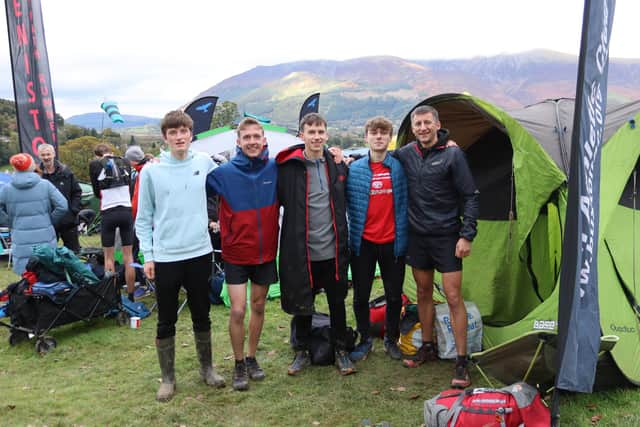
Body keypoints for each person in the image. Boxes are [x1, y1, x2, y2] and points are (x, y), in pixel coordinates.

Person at [136, 110, 224, 402]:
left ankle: (207, 369)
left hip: (199, 251)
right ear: (165, 137)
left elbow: (228, 181)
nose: (179, 137)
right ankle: (168, 378)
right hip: (166, 256)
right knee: (166, 319)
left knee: (202, 313)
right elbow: (143, 216)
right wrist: (148, 255)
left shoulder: (204, 162)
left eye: (183, 131)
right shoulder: (151, 171)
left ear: (190, 133)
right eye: (172, 133)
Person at [395, 105, 479, 388]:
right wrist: (340, 158)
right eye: (417, 124)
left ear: (437, 124)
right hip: (418, 237)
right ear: (413, 128)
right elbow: (380, 160)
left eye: (427, 122)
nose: (422, 128)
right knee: (422, 293)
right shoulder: (406, 153)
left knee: (454, 297)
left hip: (447, 236)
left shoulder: (453, 154)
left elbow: (470, 196)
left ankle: (461, 361)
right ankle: (428, 347)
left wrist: (466, 235)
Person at [276, 112, 356, 376]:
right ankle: (301, 351)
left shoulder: (337, 165)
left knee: (337, 301)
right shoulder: (289, 168)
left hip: (332, 249)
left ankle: (341, 350)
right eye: (311, 132)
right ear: (302, 135)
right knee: (303, 303)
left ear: (326, 134)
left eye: (321, 131)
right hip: (302, 251)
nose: (317, 136)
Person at [206, 117, 279, 391]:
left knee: (259, 306)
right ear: (238, 142)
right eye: (246, 137)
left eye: (256, 137)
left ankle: (251, 358)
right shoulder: (223, 173)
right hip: (236, 252)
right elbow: (194, 190)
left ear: (263, 140)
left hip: (266, 251)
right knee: (238, 309)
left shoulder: (275, 168)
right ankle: (238, 363)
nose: (251, 142)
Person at [346, 116, 408, 363]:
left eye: (384, 132)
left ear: (389, 137)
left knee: (394, 295)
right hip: (363, 243)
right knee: (361, 296)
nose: (379, 136)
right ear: (367, 137)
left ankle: (391, 339)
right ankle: (365, 339)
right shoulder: (355, 169)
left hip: (393, 242)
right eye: (374, 132)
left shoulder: (400, 166)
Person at [0, 153, 67, 275]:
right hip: (45, 238)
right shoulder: (45, 185)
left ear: (14, 168)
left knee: (25, 280)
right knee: (48, 276)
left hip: (20, 238)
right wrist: (49, 221)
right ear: (31, 166)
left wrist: (10, 222)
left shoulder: (6, 189)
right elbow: (62, 206)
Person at [89, 143, 136, 301]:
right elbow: (130, 185)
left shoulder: (95, 164)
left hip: (108, 212)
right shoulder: (125, 162)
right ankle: (131, 296)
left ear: (98, 155)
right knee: (128, 257)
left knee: (108, 257)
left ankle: (113, 296)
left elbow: (96, 191)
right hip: (126, 211)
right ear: (111, 151)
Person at [37, 143, 82, 253]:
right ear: (39, 156)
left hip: (68, 221)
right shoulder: (37, 174)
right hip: (47, 221)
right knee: (48, 254)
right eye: (43, 155)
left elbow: (77, 192)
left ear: (54, 154)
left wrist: (73, 211)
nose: (46, 157)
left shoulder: (66, 171)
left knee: (73, 253)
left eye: (48, 154)